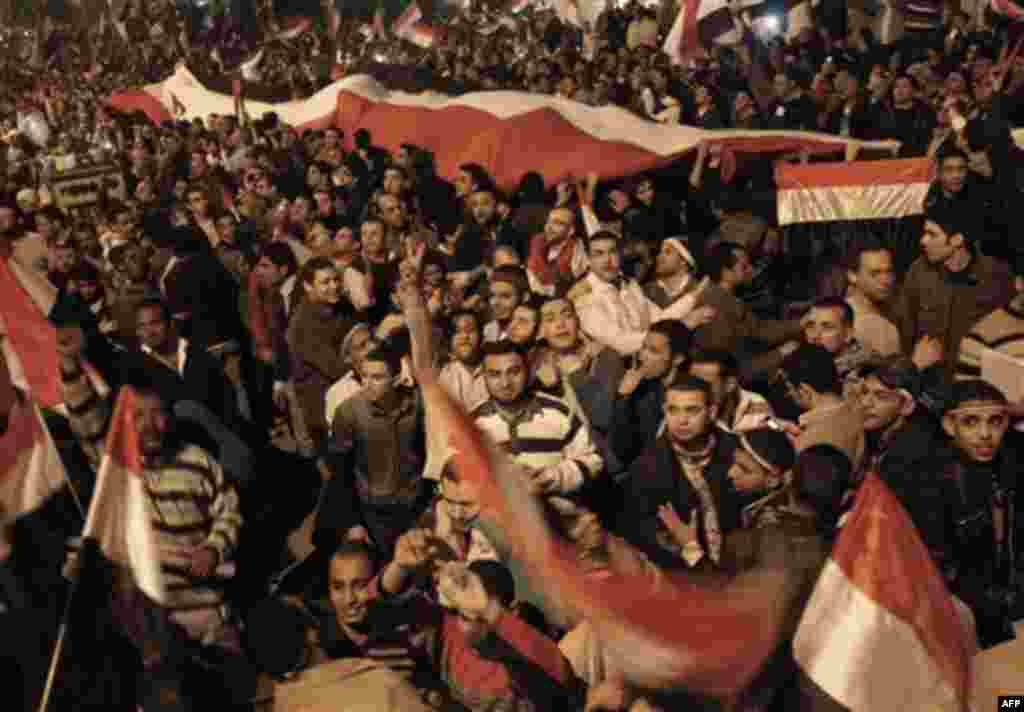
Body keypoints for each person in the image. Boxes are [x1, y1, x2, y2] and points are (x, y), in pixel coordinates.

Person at [616, 375, 742, 573]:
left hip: (741, 570)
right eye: (672, 410)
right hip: (681, 578)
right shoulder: (646, 466)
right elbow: (642, 535)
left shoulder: (737, 451)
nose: (682, 420)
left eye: (692, 410)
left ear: (711, 412)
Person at [474, 341, 603, 496]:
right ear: (483, 377)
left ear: (528, 371)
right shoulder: (473, 421)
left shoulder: (558, 411)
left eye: (514, 372)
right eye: (495, 374)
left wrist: (553, 477)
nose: (505, 383)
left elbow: (593, 461)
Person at [570, 230, 712, 356]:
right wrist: (685, 324)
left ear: (620, 255)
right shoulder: (584, 295)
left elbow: (659, 320)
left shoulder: (630, 285)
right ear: (588, 260)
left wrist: (692, 297)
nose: (607, 260)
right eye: (598, 254)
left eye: (612, 252)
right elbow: (620, 344)